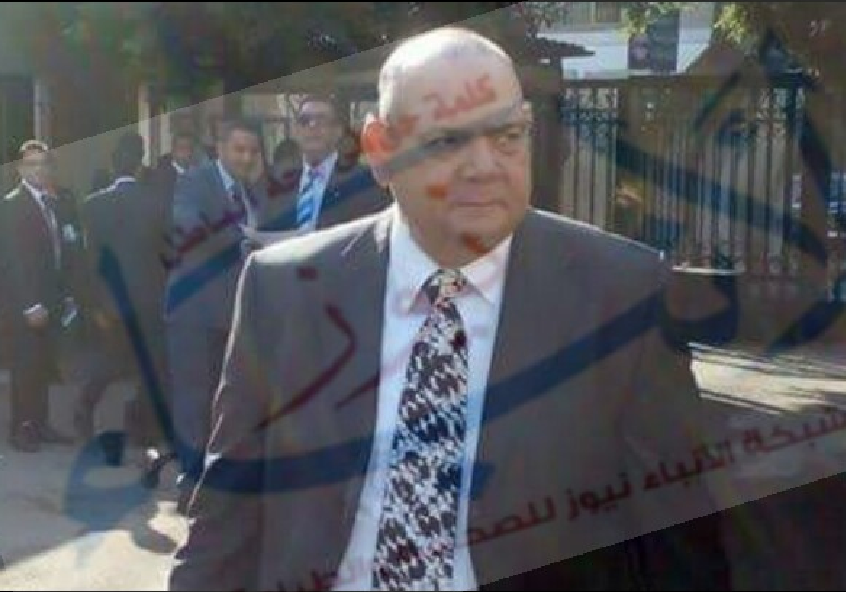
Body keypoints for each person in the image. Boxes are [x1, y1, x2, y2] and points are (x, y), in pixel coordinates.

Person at [169, 27, 730, 591]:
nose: (485, 166)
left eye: (507, 135)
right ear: (380, 151)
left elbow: (680, 544)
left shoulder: (621, 294)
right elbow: (224, 520)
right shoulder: (285, 290)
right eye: (447, 141)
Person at [162, 117, 277, 511]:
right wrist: (245, 239)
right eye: (239, 150)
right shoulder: (194, 181)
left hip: (233, 313)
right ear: (221, 148)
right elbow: (191, 227)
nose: (246, 158)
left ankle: (216, 481)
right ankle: (191, 484)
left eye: (252, 151)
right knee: (194, 400)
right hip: (193, 312)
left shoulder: (251, 190)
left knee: (224, 399)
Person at [74, 132, 171, 456]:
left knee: (111, 360)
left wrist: (95, 302)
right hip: (150, 296)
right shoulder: (157, 203)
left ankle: (84, 408)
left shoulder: (93, 205)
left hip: (113, 300)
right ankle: (140, 426)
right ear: (140, 162)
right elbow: (168, 252)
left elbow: (90, 260)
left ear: (113, 164)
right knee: (151, 363)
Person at [0, 140, 74, 452]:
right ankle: (21, 428)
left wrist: (64, 296)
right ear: (20, 169)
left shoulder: (54, 203)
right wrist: (30, 304)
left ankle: (40, 423)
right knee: (25, 366)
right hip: (24, 304)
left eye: (43, 163)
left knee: (42, 364)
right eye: (32, 164)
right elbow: (9, 262)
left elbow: (57, 251)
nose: (39, 169)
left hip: (50, 300)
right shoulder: (10, 205)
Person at [287, 94, 389, 231]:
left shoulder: (364, 182)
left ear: (338, 131)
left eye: (321, 120)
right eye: (305, 120)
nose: (312, 125)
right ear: (296, 131)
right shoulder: (276, 183)